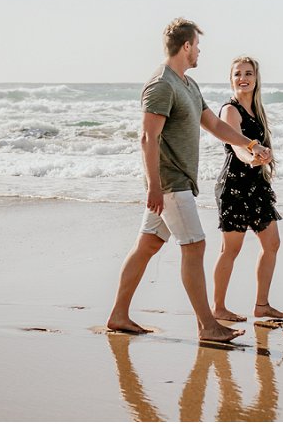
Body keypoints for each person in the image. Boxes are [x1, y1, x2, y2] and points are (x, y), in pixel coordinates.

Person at [106, 19, 271, 342]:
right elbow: (147, 138)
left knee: (148, 245)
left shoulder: (188, 85)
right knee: (195, 246)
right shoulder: (161, 84)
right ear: (185, 47)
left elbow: (212, 124)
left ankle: (118, 315)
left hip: (175, 183)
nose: (199, 52)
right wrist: (154, 186)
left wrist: (249, 143)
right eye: (197, 45)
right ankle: (207, 326)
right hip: (170, 183)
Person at [212, 56, 283, 322]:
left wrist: (261, 161)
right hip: (234, 185)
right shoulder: (230, 110)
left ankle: (262, 305)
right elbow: (237, 148)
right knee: (231, 250)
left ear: (256, 79)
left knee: (272, 243)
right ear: (230, 79)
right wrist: (253, 158)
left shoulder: (258, 110)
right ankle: (219, 308)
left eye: (248, 73)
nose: (243, 78)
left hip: (257, 186)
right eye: (237, 74)